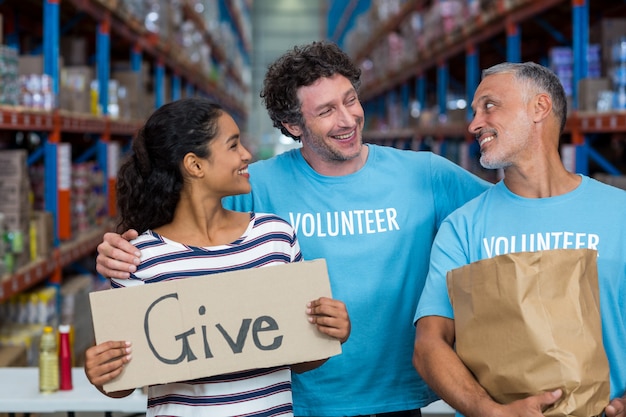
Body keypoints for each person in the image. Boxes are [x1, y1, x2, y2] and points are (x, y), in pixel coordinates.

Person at [94, 41, 491, 417]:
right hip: (294, 401)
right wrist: (125, 244)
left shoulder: (425, 174)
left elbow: (505, 212)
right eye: (326, 111)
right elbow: (184, 229)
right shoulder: (254, 184)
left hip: (397, 396)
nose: (348, 118)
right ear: (293, 125)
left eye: (350, 100)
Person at [84, 97, 351, 417]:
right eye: (233, 145)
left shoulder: (274, 238)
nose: (247, 155)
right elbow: (125, 381)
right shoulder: (139, 258)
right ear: (195, 165)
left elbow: (302, 357)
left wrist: (329, 332)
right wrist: (101, 373)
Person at [412, 61, 626, 417]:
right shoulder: (462, 228)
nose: (474, 123)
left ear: (539, 107)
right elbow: (429, 344)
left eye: (489, 106)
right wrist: (489, 411)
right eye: (474, 110)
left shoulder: (620, 212)